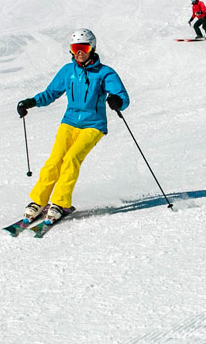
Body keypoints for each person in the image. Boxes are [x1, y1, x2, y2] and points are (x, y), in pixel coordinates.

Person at [16, 28, 129, 223]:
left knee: (71, 160)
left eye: (83, 47)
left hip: (94, 124)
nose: (79, 52)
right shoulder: (68, 71)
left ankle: (60, 203)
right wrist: (30, 102)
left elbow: (122, 97)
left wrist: (117, 101)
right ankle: (38, 201)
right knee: (54, 161)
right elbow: (50, 93)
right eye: (75, 48)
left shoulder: (104, 73)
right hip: (69, 122)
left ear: (92, 47)